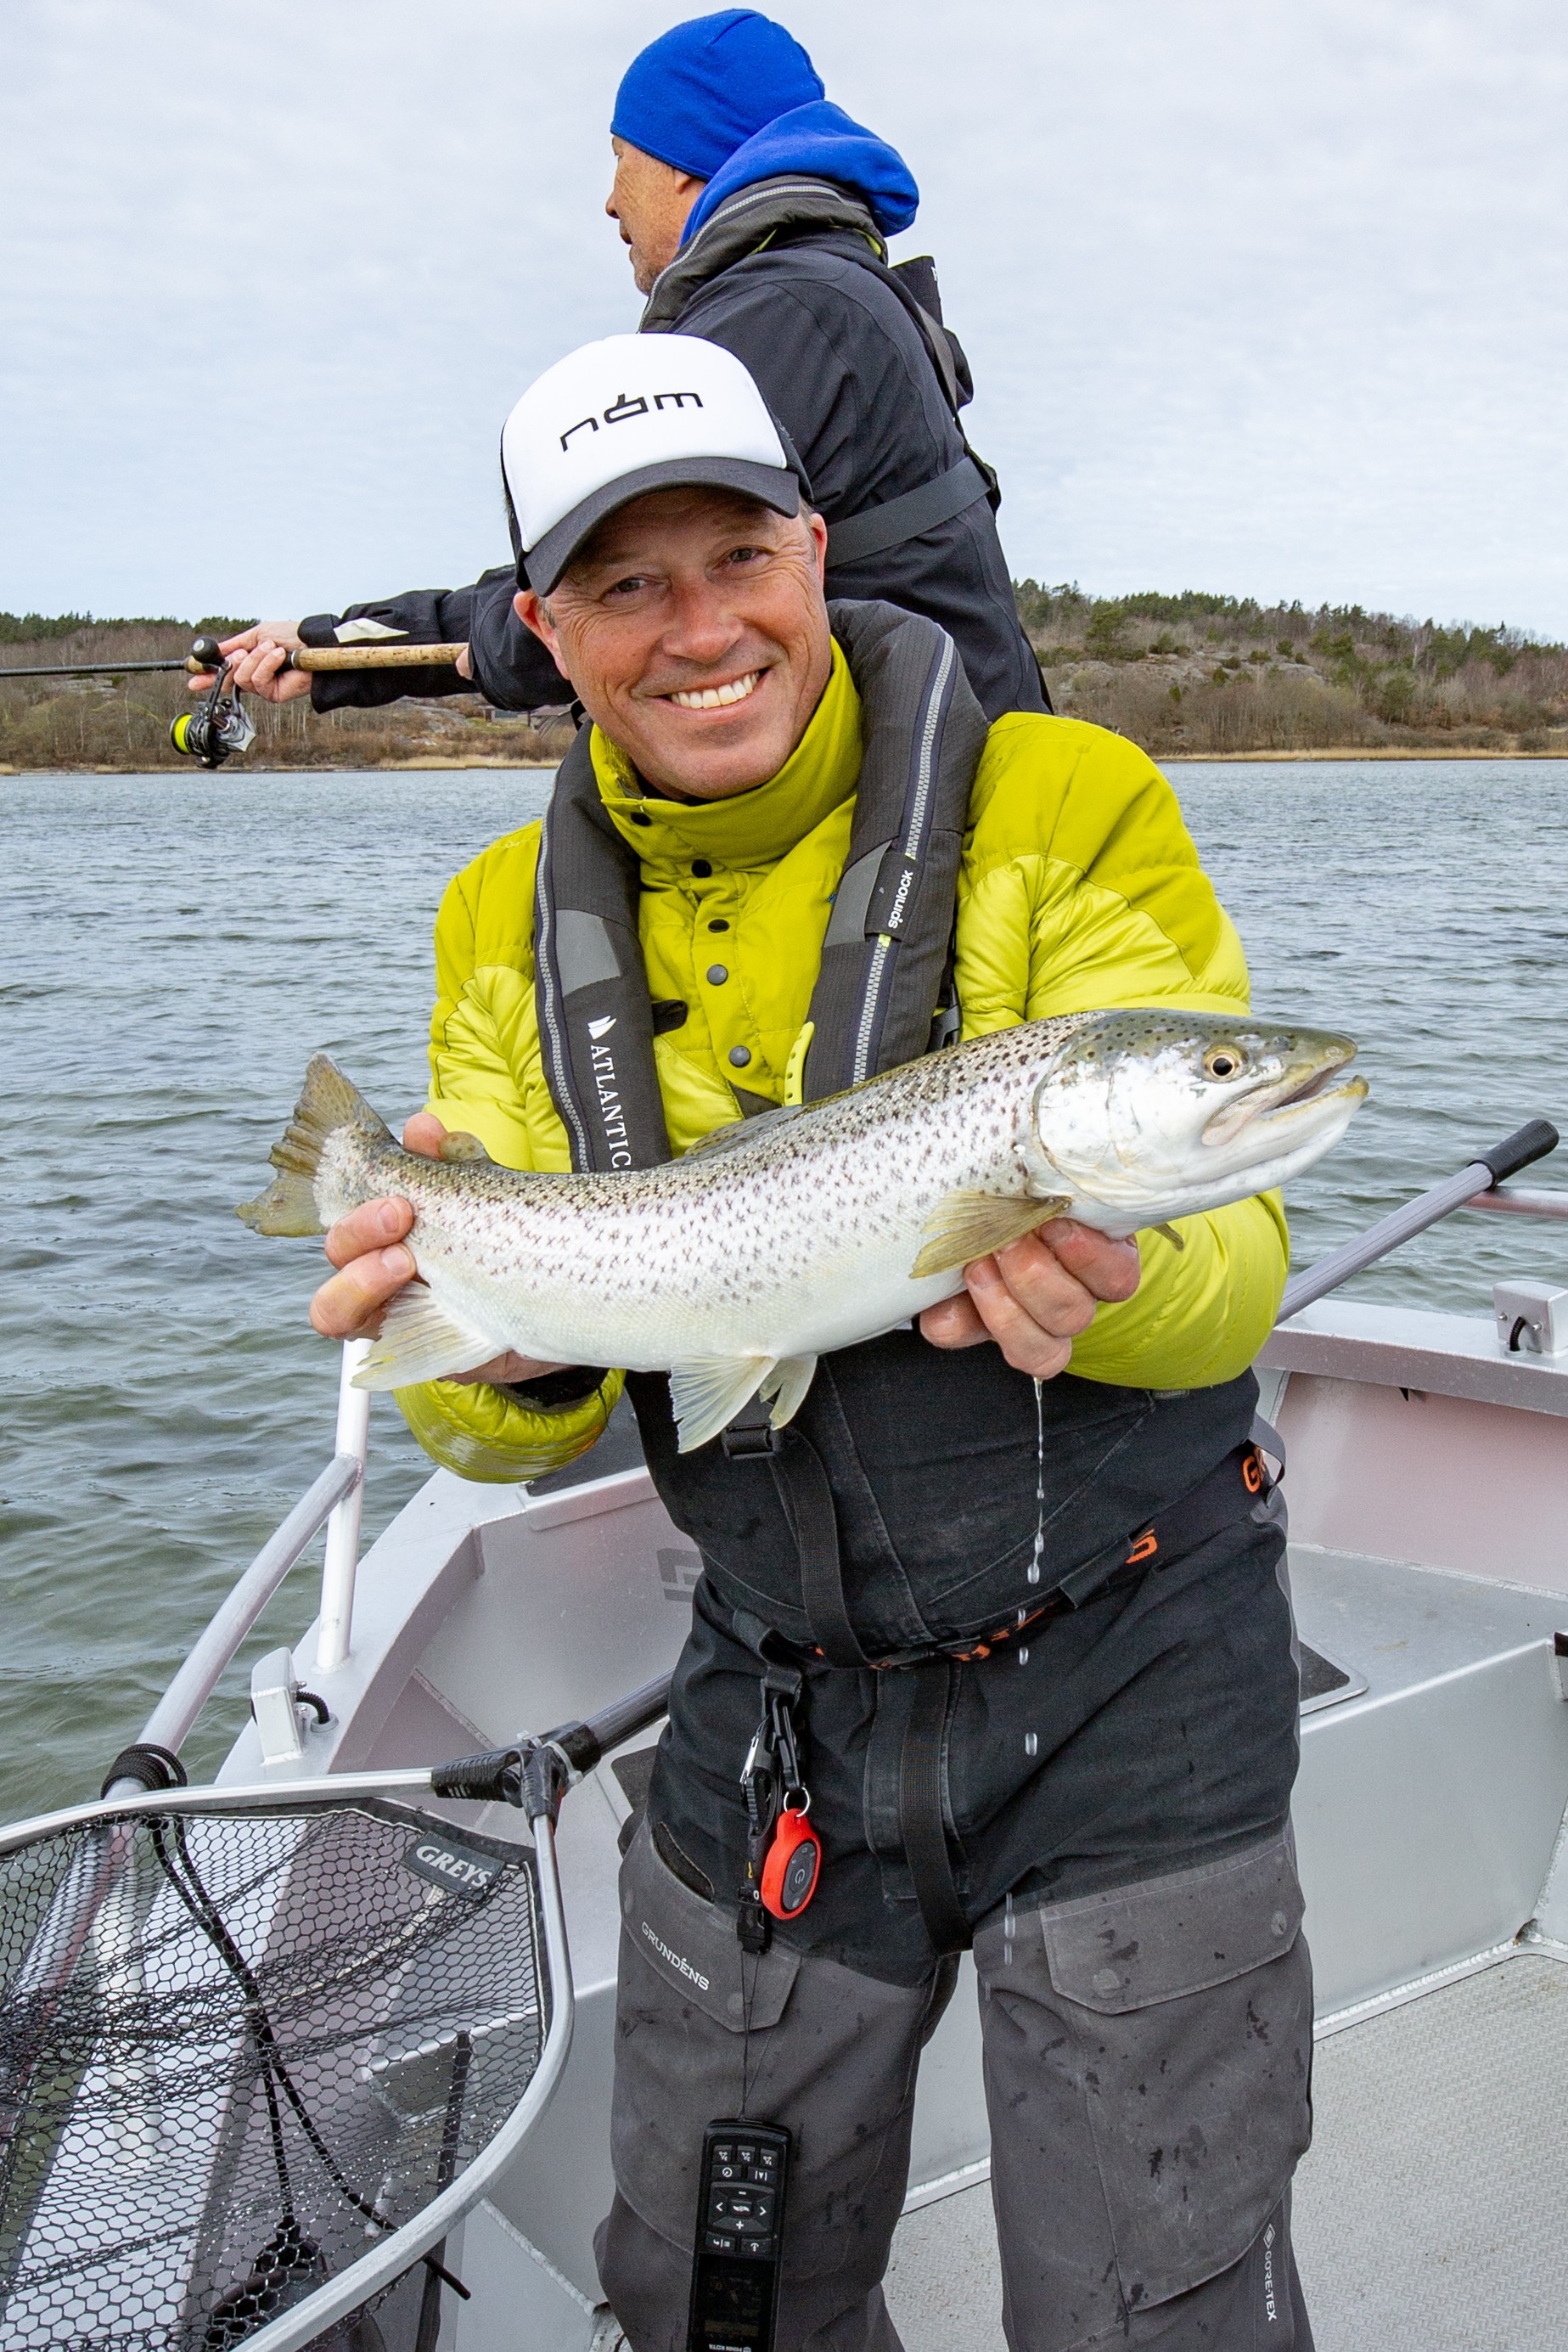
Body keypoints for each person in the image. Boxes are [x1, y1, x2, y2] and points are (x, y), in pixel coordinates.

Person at [302, 331, 1313, 2350]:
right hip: (772, 1691)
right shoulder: (496, 915)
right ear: (542, 632)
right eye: (625, 583)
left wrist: (1115, 1289)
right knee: (709, 2294)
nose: (701, 629)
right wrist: (494, 1355)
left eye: (738, 557)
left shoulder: (1064, 798)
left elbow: (1236, 1253)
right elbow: (496, 1436)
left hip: (1133, 1662)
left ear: (816, 547)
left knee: (1152, 2310)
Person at [209, 8, 1048, 729]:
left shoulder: (781, 312)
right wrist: (330, 647)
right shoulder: (825, 293)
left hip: (921, 791)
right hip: (934, 763)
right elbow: (578, 585)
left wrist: (351, 650)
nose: (610, 199)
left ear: (684, 159)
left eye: (620, 156)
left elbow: (606, 590)